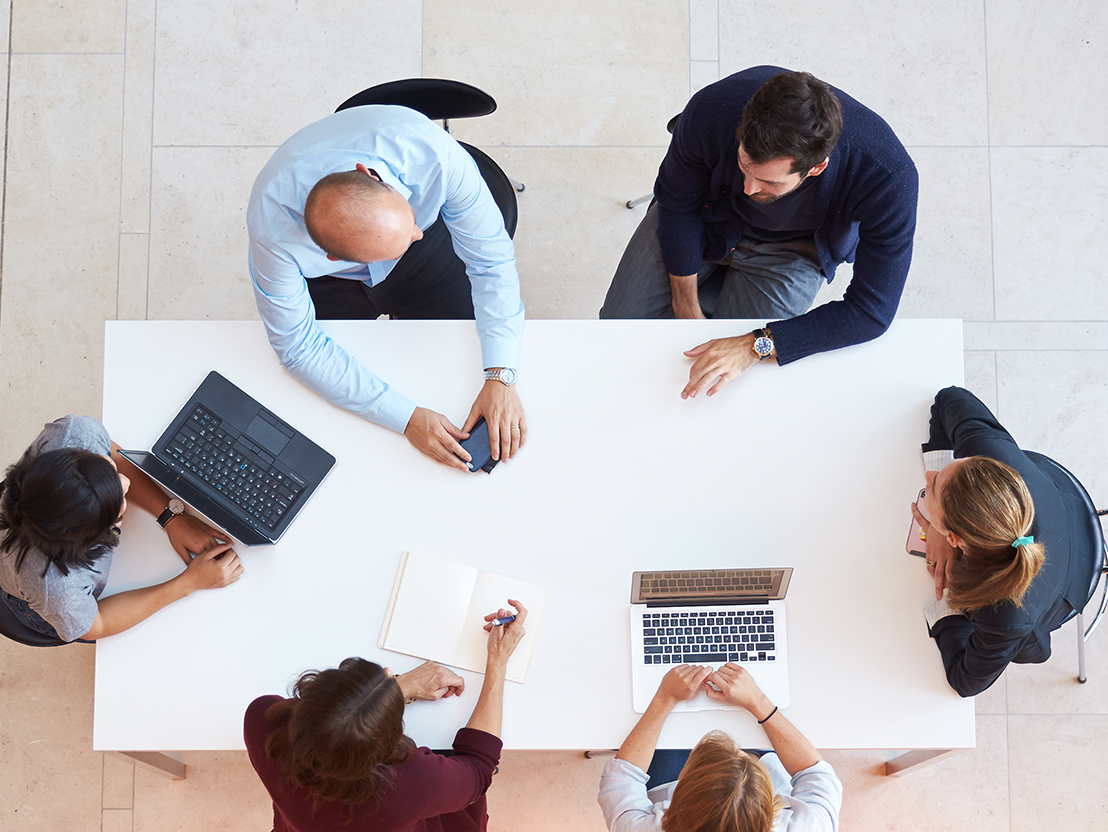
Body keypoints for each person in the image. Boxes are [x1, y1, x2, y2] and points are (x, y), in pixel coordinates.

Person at [600, 66, 918, 401]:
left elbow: (871, 312)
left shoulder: (889, 177)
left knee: (733, 386)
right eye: (744, 165)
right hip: (706, 215)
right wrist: (686, 308)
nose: (749, 188)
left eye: (769, 182)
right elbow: (678, 204)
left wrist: (755, 345)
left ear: (816, 167)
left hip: (794, 252)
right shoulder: (712, 108)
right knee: (615, 334)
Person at [247, 105, 526, 472]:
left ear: (371, 175)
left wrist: (500, 374)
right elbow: (298, 347)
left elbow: (491, 263)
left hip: (430, 252)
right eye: (401, 241)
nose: (416, 233)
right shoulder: (273, 233)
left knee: (454, 352)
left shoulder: (437, 156)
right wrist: (406, 418)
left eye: (409, 221)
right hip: (335, 282)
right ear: (332, 256)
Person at [244, 599, 528, 832]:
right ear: (386, 746)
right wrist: (498, 660)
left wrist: (387, 694)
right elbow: (478, 768)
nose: (389, 672)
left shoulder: (262, 722)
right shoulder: (409, 784)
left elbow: (331, 725)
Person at [910, 387, 1093, 696]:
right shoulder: (987, 451)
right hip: (1062, 502)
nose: (929, 475)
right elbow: (949, 398)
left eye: (933, 486)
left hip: (1067, 587)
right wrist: (940, 528)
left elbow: (966, 682)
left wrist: (948, 608)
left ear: (956, 538)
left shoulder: (1003, 617)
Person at [0, 415, 244, 642]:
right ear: (91, 536)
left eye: (106, 468)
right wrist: (188, 582)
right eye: (118, 504)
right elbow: (98, 624)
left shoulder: (73, 435)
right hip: (34, 603)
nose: (125, 481)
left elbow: (114, 456)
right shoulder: (55, 587)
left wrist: (171, 516)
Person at [599, 663, 841, 832]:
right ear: (771, 810)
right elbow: (815, 773)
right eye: (744, 755)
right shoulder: (810, 826)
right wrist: (758, 701)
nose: (740, 749)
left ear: (679, 800)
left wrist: (666, 697)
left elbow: (622, 778)